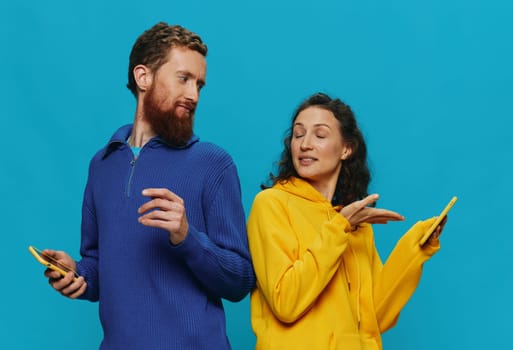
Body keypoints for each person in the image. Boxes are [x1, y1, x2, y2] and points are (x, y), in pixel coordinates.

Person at [42, 22, 255, 350]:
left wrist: (187, 237)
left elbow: (240, 279)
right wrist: (78, 274)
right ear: (144, 77)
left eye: (199, 84)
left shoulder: (213, 164)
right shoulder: (102, 165)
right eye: (183, 79)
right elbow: (101, 266)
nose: (193, 95)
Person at [247, 92, 446, 350]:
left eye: (319, 135)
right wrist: (339, 228)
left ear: (346, 149)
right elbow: (285, 302)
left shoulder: (355, 225)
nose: (305, 144)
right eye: (298, 134)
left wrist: (416, 248)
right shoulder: (271, 204)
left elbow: (376, 317)